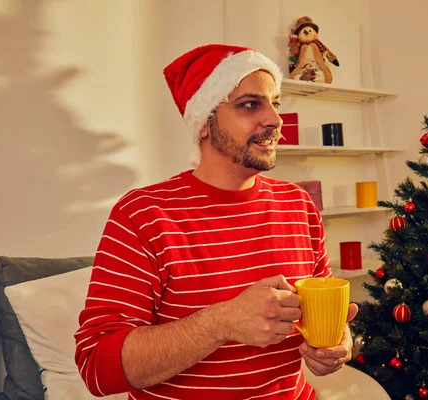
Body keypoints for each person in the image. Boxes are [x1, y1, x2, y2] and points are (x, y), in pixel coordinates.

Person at [74, 44, 358, 400]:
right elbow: (97, 368)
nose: (274, 119)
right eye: (250, 104)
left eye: (275, 103)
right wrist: (222, 322)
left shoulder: (298, 203)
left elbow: (321, 308)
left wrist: (335, 341)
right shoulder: (143, 215)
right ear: (204, 122)